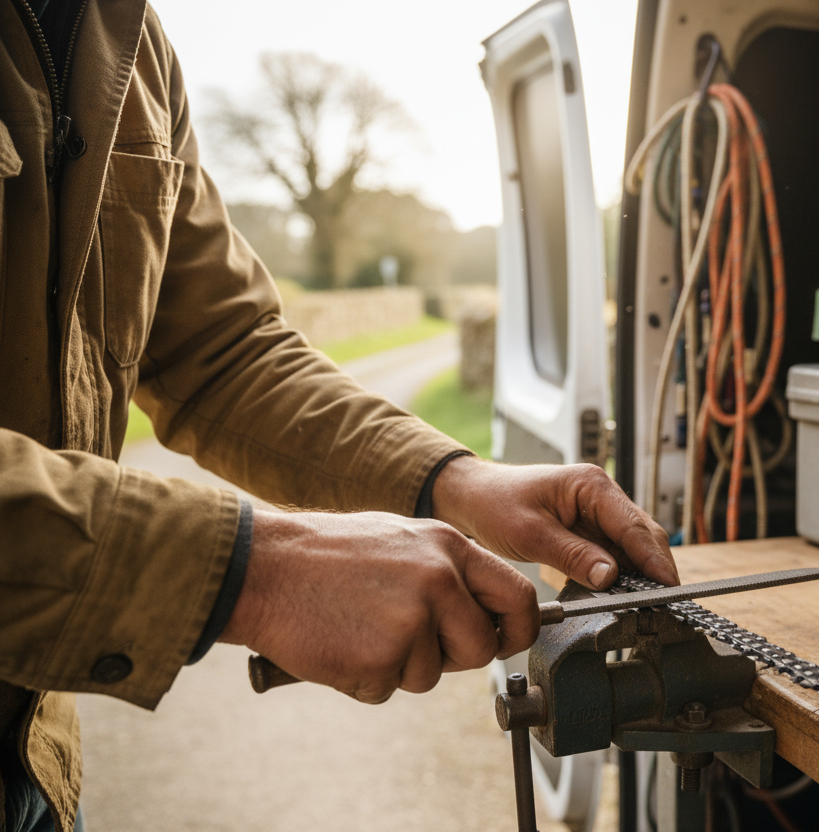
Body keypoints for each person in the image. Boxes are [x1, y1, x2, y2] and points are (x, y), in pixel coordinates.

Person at [0, 1, 678, 829]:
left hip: (29, 756)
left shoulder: (130, 42)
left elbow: (223, 350)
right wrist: (259, 571)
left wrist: (453, 480)